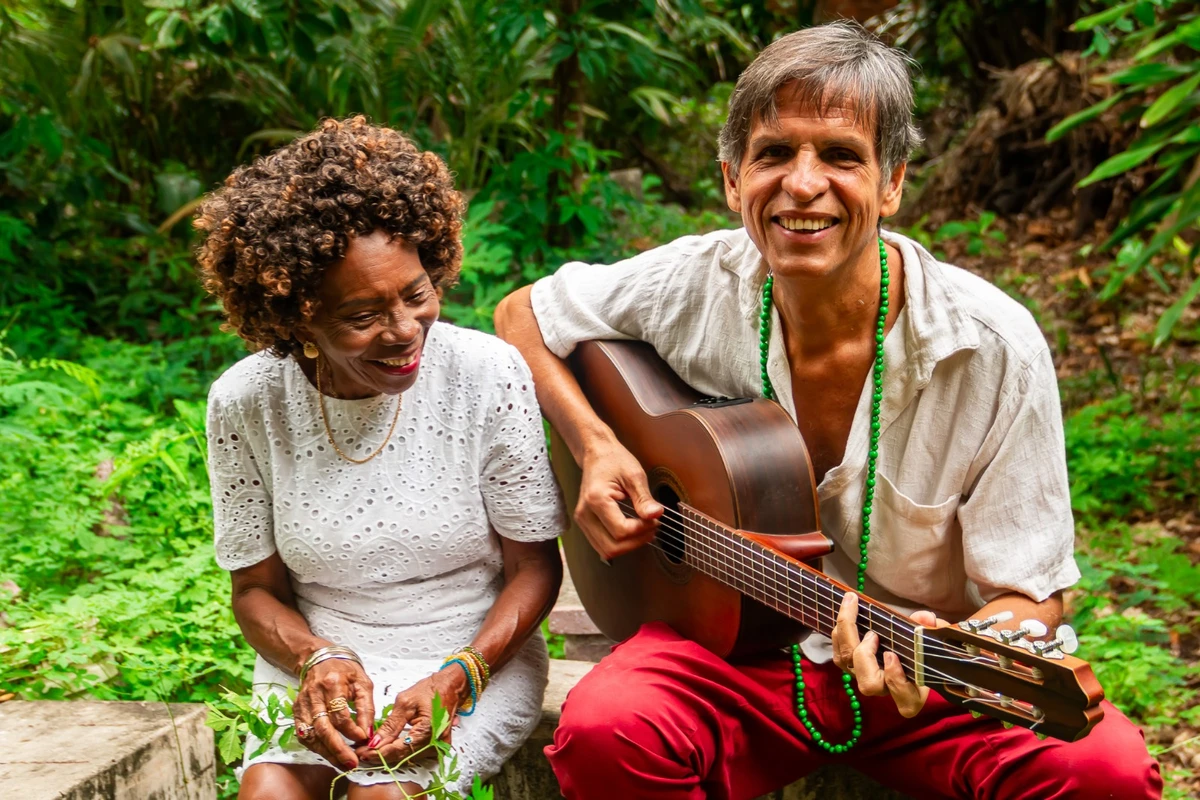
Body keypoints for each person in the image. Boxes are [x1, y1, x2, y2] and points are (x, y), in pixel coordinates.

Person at [494, 21, 1162, 800]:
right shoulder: (695, 280)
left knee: (1104, 774)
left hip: (925, 675)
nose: (802, 185)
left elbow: (1035, 593)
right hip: (733, 652)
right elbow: (522, 316)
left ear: (893, 182)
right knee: (609, 732)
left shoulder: (990, 348)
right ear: (733, 179)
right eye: (774, 153)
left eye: (841, 156)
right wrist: (599, 445)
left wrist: (964, 646)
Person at [196, 115, 566, 800]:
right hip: (318, 668)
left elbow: (535, 569)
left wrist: (458, 678)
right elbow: (254, 592)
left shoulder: (485, 374)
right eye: (362, 317)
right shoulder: (246, 402)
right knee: (269, 795)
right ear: (296, 317)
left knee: (383, 795)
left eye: (416, 294)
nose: (403, 332)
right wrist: (319, 659)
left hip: (472, 658)